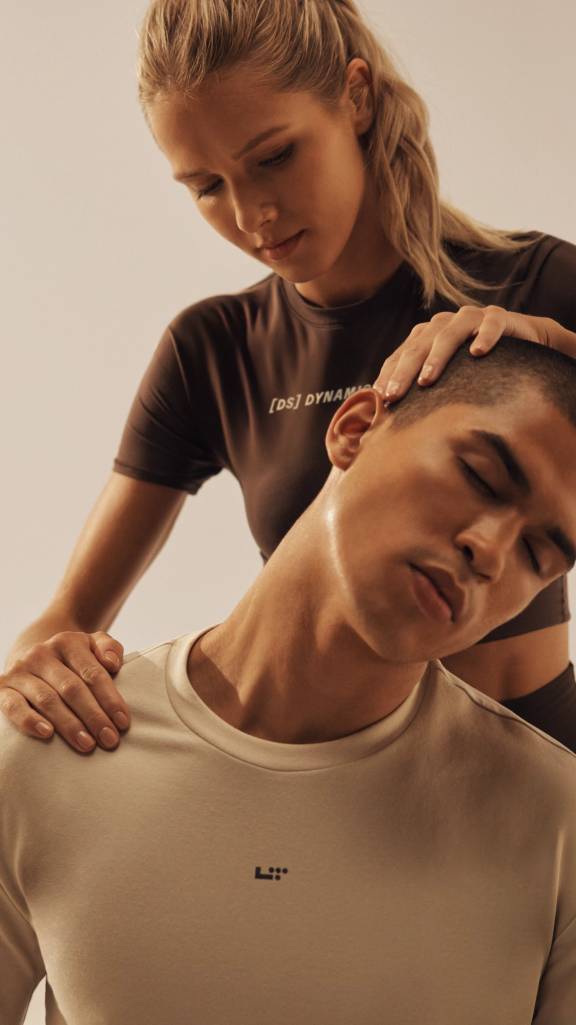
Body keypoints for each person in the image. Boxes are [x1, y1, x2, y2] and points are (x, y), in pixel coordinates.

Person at [2, 0, 576, 757]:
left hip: (533, 766)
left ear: (357, 96)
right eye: (206, 186)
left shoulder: (535, 285)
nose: (252, 215)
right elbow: (66, 620)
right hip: (330, 784)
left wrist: (550, 343)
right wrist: (39, 669)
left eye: (274, 156)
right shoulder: (212, 350)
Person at [2, 337, 576, 1025]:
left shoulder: (556, 824)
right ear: (356, 428)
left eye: (540, 551)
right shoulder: (48, 742)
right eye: (481, 476)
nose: (490, 549)